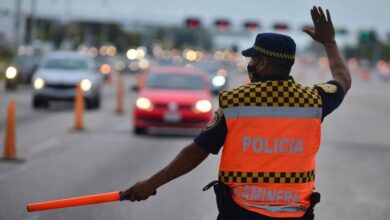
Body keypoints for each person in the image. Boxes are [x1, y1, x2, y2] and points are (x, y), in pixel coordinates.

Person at [120, 6, 351, 220]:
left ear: (262, 64)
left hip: (242, 213)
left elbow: (197, 151)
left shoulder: (236, 102)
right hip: (296, 215)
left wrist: (151, 183)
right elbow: (343, 79)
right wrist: (329, 42)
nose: (250, 64)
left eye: (252, 59)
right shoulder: (314, 101)